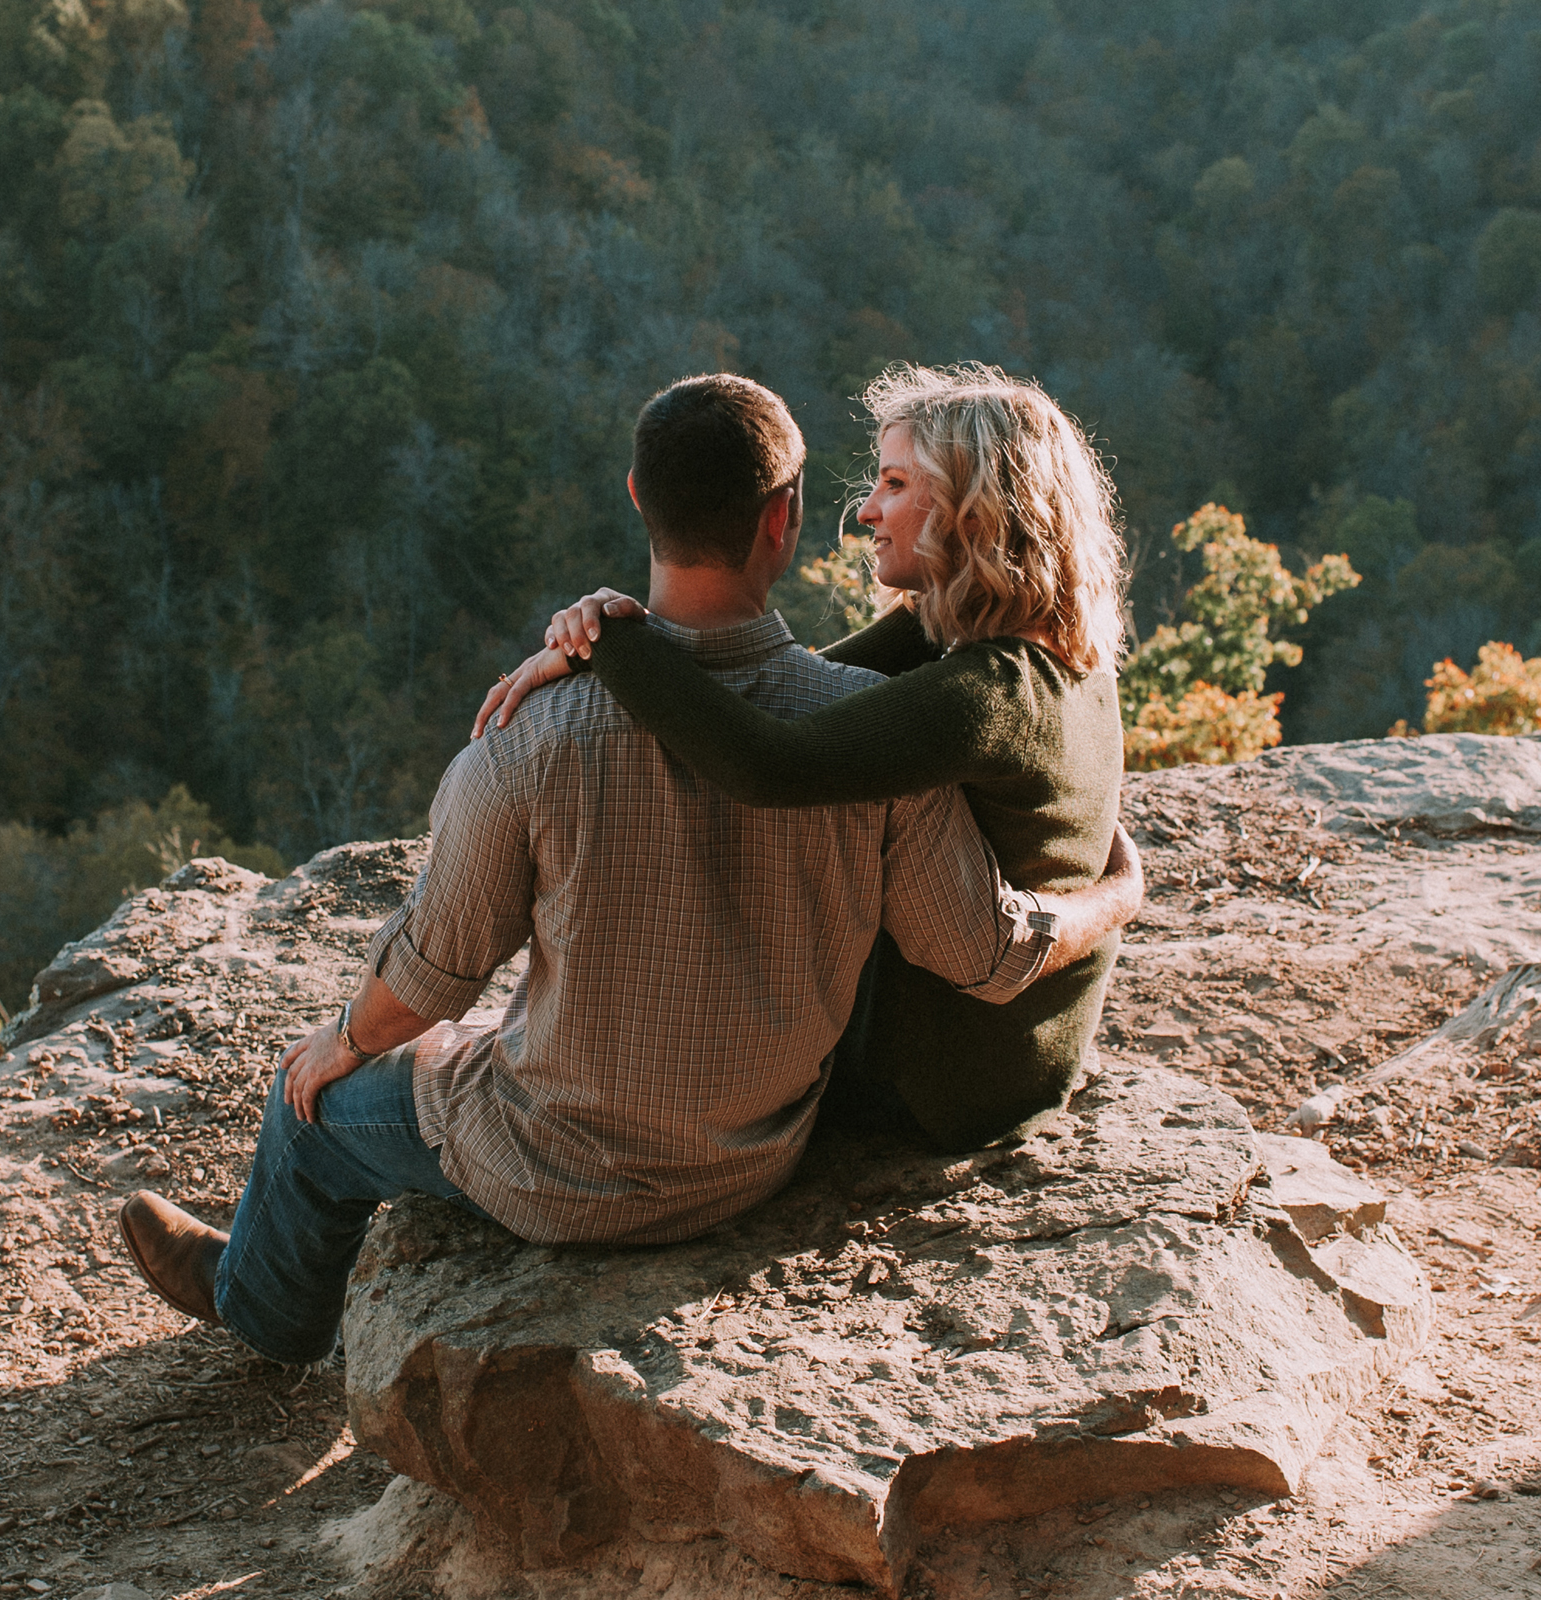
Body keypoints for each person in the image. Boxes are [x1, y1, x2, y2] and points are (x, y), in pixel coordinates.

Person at [117, 373, 1143, 1367]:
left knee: (314, 1112)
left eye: (893, 484)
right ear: (780, 518)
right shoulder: (893, 740)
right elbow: (955, 921)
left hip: (568, 1170)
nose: (864, 510)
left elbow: (435, 974)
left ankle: (263, 1306)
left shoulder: (525, 741)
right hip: (757, 1154)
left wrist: (339, 1039)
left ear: (638, 498)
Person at [476, 361, 1129, 1152]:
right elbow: (802, 695)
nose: (865, 511)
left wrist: (613, 638)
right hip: (1017, 1056)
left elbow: (771, 762)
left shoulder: (988, 692)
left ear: (972, 505)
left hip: (940, 1087)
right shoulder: (1042, 649)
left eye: (893, 483)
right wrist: (605, 642)